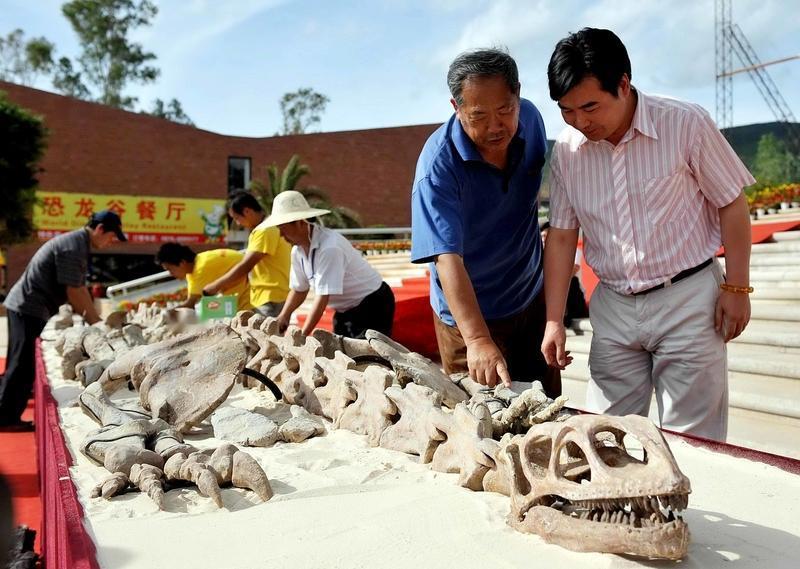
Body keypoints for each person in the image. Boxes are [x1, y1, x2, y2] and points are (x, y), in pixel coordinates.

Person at [541, 28, 755, 441]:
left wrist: (738, 286)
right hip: (615, 307)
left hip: (689, 301)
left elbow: (732, 202)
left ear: (623, 83)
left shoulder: (684, 123)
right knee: (603, 436)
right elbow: (563, 237)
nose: (581, 122)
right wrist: (554, 321)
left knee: (693, 441)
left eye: (590, 106)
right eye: (567, 111)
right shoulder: (568, 151)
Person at [410, 47, 558, 394]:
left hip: (529, 297)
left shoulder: (532, 122)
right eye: (478, 116)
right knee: (484, 421)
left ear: (518, 94)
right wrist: (476, 339)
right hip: (467, 318)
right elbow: (447, 258)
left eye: (505, 109)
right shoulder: (437, 169)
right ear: (456, 108)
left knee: (548, 409)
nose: (496, 126)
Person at [0, 210, 127, 431]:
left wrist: (94, 318)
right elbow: (74, 290)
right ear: (99, 229)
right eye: (111, 236)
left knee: (19, 363)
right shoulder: (73, 247)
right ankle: (5, 417)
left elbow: (79, 290)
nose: (111, 242)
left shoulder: (78, 244)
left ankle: (5, 412)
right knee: (21, 365)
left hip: (27, 307)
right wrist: (96, 323)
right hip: (27, 307)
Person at [260, 191, 395, 338]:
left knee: (367, 355)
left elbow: (322, 297)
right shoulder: (297, 251)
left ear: (300, 222)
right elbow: (299, 289)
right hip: (345, 310)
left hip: (372, 304)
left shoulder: (330, 247)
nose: (281, 235)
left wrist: (302, 336)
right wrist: (284, 316)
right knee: (341, 353)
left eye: (283, 229)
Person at [202, 191, 291, 317]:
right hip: (270, 295)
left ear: (247, 211)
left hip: (270, 297)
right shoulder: (270, 226)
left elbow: (246, 265)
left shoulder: (264, 229)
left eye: (237, 218)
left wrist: (215, 286)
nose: (238, 223)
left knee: (265, 335)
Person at [155, 243, 253, 311]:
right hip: (246, 291)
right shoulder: (198, 264)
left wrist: (166, 313)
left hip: (251, 293)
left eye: (170, 269)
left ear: (182, 263)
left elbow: (190, 304)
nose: (170, 274)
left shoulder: (201, 269)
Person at [540, 221, 588, 327]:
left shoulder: (573, 251)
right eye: (542, 236)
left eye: (546, 235)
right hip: (550, 292)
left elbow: (571, 271)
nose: (543, 239)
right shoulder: (539, 256)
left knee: (570, 281)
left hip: (572, 293)